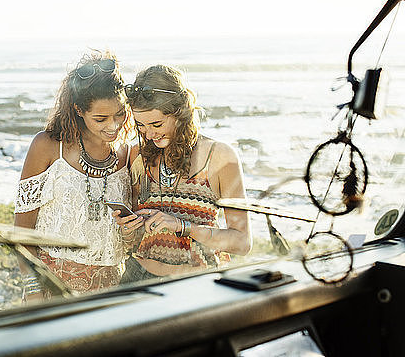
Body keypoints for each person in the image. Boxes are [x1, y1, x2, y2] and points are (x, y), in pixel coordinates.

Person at [113, 64, 251, 282]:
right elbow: (133, 241)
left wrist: (182, 226)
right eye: (141, 126)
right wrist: (129, 229)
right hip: (136, 278)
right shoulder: (138, 155)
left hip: (197, 284)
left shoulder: (220, 156)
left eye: (156, 124)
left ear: (181, 111)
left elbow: (242, 243)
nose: (148, 134)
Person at [14, 51, 132, 300]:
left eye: (120, 114)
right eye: (101, 118)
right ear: (78, 109)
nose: (113, 125)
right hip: (52, 291)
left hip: (110, 294)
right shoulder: (47, 146)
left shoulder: (128, 152)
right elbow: (23, 231)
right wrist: (34, 291)